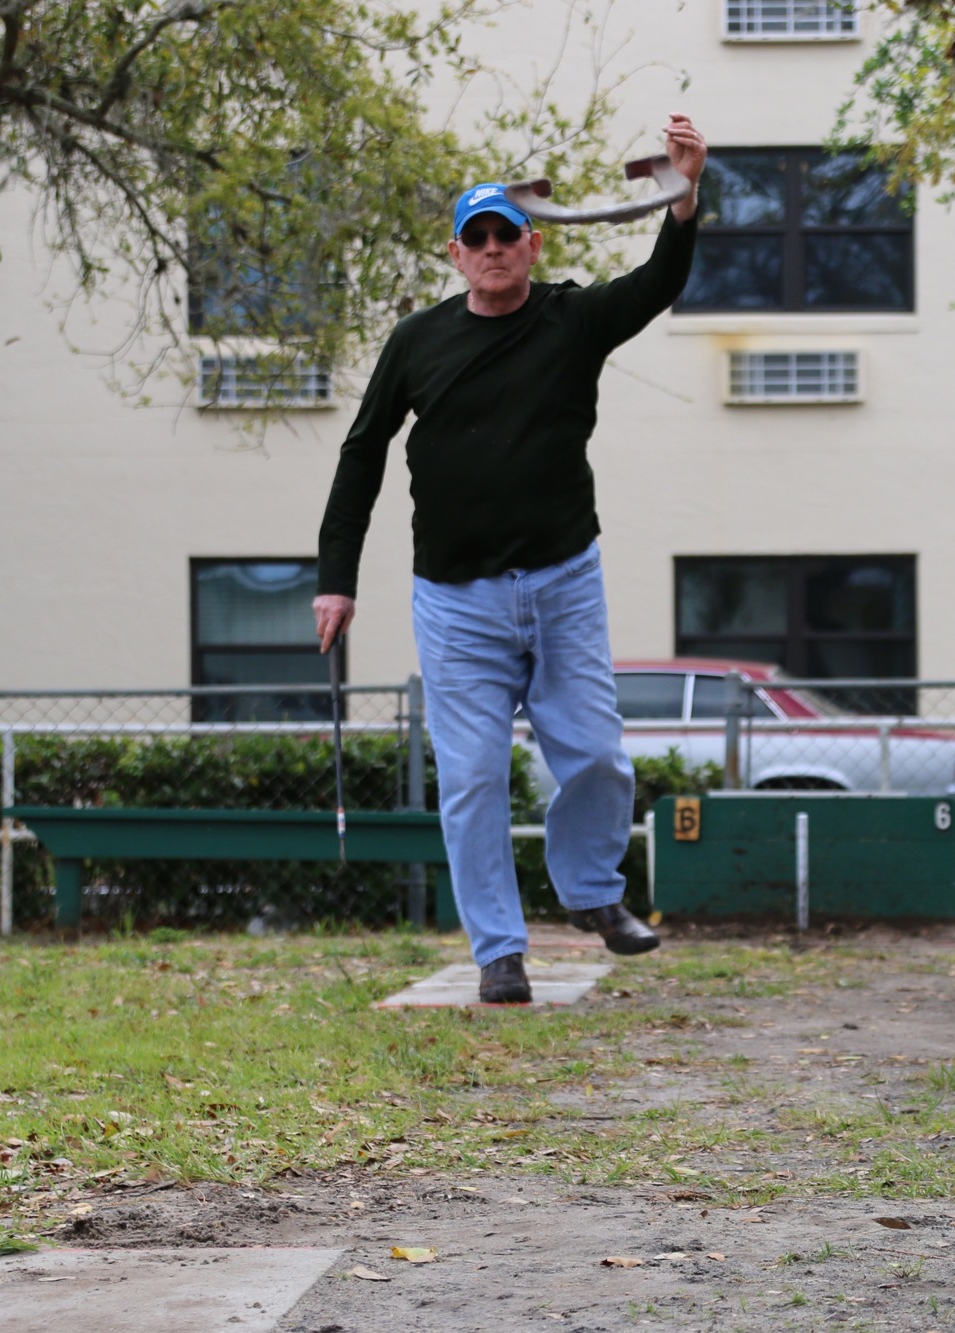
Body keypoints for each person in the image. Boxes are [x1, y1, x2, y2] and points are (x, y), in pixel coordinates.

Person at [313, 116, 708, 1003]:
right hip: (456, 602)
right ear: (456, 255)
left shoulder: (573, 320)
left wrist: (685, 194)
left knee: (600, 759)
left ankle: (595, 895)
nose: (493, 250)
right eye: (476, 238)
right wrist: (337, 578)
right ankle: (499, 950)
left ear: (531, 244)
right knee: (475, 777)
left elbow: (658, 282)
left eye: (506, 236)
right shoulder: (416, 342)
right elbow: (362, 452)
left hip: (564, 584)